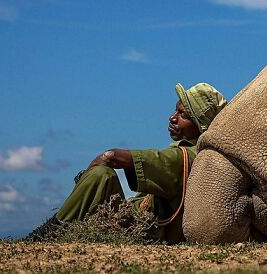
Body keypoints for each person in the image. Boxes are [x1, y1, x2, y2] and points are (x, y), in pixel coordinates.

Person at [26, 82, 227, 243]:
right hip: (137, 220)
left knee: (100, 175)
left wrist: (98, 166)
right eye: (175, 110)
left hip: (144, 231)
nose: (173, 118)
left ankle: (47, 235)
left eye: (183, 115)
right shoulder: (197, 155)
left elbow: (112, 157)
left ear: (200, 126)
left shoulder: (187, 157)